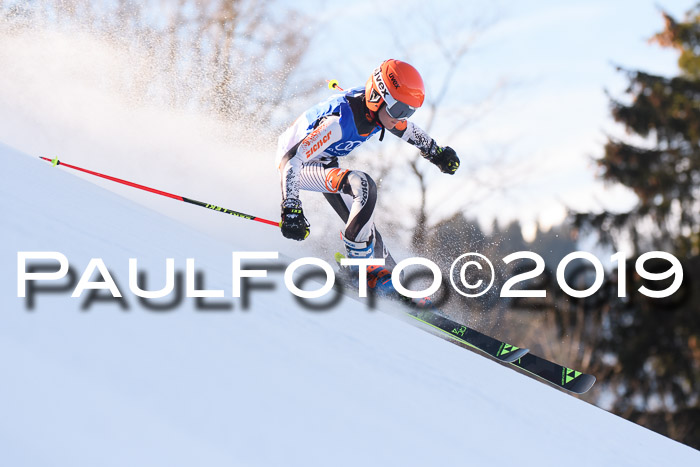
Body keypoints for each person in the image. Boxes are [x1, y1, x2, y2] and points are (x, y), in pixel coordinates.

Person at [275, 59, 460, 271]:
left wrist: (436, 152)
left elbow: (407, 129)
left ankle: (390, 276)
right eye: (399, 110)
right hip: (295, 165)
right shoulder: (339, 123)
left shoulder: (380, 113)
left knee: (366, 230)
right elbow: (291, 160)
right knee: (362, 185)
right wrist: (291, 207)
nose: (401, 118)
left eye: (409, 111)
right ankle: (359, 267)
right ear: (377, 97)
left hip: (322, 160)